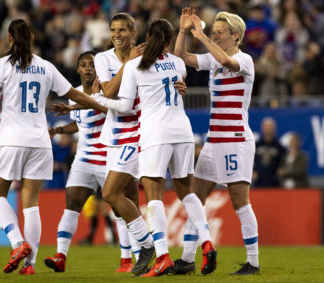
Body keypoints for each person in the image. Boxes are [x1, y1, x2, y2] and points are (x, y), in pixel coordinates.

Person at [0, 19, 104, 275]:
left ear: (9, 38)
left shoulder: (1, 66)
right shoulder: (46, 67)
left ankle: (16, 242)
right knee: (31, 204)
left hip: (11, 140)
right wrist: (103, 105)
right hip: (40, 142)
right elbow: (74, 94)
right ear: (33, 38)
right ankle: (30, 264)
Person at [95, 18, 217, 277]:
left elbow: (126, 106)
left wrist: (99, 99)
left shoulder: (135, 65)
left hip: (155, 134)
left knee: (154, 197)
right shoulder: (178, 63)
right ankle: (206, 242)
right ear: (170, 41)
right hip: (183, 132)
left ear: (147, 38)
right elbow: (176, 83)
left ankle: (162, 255)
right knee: (187, 192)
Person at [174, 8, 261, 275]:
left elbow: (227, 62)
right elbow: (181, 58)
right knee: (195, 197)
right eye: (213, 32)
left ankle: (253, 263)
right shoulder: (214, 61)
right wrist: (183, 32)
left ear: (235, 36)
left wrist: (200, 36)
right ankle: (188, 259)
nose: (214, 36)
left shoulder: (244, 60)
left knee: (239, 201)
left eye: (219, 33)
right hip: (213, 142)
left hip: (235, 140)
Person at [43, 51, 117, 272]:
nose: (88, 68)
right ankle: (61, 256)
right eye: (83, 65)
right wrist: (57, 130)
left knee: (120, 209)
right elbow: (79, 125)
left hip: (107, 157)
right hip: (83, 159)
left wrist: (81, 105)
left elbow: (111, 112)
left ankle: (127, 259)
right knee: (72, 204)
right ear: (77, 69)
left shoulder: (108, 90)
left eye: (92, 64)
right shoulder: (72, 94)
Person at [92, 13, 152, 276]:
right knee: (127, 199)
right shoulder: (102, 58)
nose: (117, 34)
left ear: (133, 32)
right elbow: (109, 91)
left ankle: (148, 245)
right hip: (114, 137)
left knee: (109, 194)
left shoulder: (143, 59)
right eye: (113, 30)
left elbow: (108, 94)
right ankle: (143, 257)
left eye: (123, 30)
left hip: (137, 134)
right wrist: (127, 63)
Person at [253, 117, 286, 187]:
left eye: (271, 127)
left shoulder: (280, 147)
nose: (269, 130)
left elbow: (284, 162)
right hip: (258, 182)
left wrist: (282, 169)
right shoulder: (256, 145)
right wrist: (251, 172)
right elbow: (248, 160)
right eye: (267, 127)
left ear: (275, 129)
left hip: (274, 183)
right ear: (262, 128)